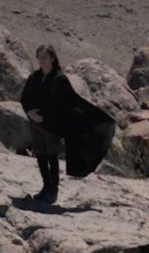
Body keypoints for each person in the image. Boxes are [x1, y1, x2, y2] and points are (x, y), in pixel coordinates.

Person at [20, 44, 116, 203]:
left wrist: (53, 119)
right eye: (39, 57)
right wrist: (30, 112)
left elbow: (70, 102)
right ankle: (45, 187)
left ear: (52, 58)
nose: (42, 60)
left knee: (51, 156)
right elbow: (25, 98)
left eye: (45, 57)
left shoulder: (59, 79)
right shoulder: (34, 77)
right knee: (41, 156)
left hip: (52, 126)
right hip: (36, 125)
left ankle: (53, 190)